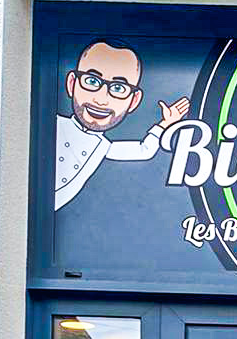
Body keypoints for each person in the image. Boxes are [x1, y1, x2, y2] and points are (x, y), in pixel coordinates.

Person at [54, 39, 190, 211]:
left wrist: (166, 124)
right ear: (72, 83)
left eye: (118, 88)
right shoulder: (50, 126)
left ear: (134, 101)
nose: (101, 100)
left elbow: (144, 150)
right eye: (92, 81)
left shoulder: (103, 146)